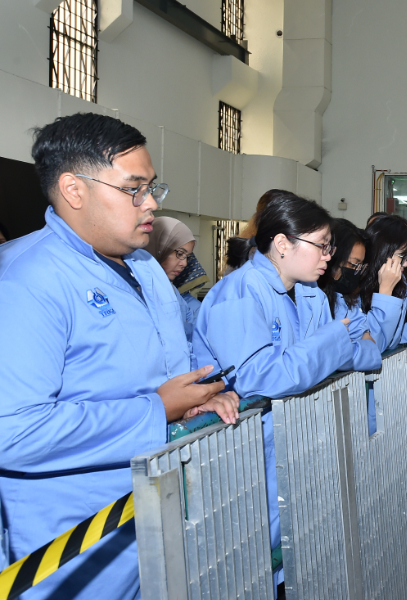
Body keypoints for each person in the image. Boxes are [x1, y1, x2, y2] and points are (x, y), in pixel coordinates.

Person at [0, 113, 236, 600]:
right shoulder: (26, 280)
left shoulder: (145, 267)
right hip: (73, 546)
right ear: (74, 189)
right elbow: (13, 432)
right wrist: (157, 410)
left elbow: (161, 372)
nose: (150, 203)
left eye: (151, 188)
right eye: (133, 189)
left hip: (153, 516)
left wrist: (195, 401)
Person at [194, 192, 378, 595]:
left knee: (288, 560)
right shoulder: (241, 293)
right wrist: (333, 342)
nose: (329, 256)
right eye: (322, 245)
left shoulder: (309, 293)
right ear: (282, 244)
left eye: (330, 247)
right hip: (245, 453)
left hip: (291, 446)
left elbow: (359, 353)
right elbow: (261, 378)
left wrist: (334, 347)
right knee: (244, 566)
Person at [319, 218, 377, 346]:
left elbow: (366, 338)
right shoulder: (313, 296)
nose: (356, 271)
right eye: (353, 264)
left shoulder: (346, 297)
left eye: (360, 266)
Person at [359, 215, 407, 352]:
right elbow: (372, 346)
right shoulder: (353, 284)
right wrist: (385, 290)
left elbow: (391, 340)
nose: (406, 264)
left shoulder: (401, 283)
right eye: (403, 256)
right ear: (383, 252)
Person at [147, 216, 200, 344]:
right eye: (180, 254)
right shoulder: (140, 289)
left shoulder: (172, 290)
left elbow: (192, 326)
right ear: (160, 248)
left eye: (187, 257)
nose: (184, 263)